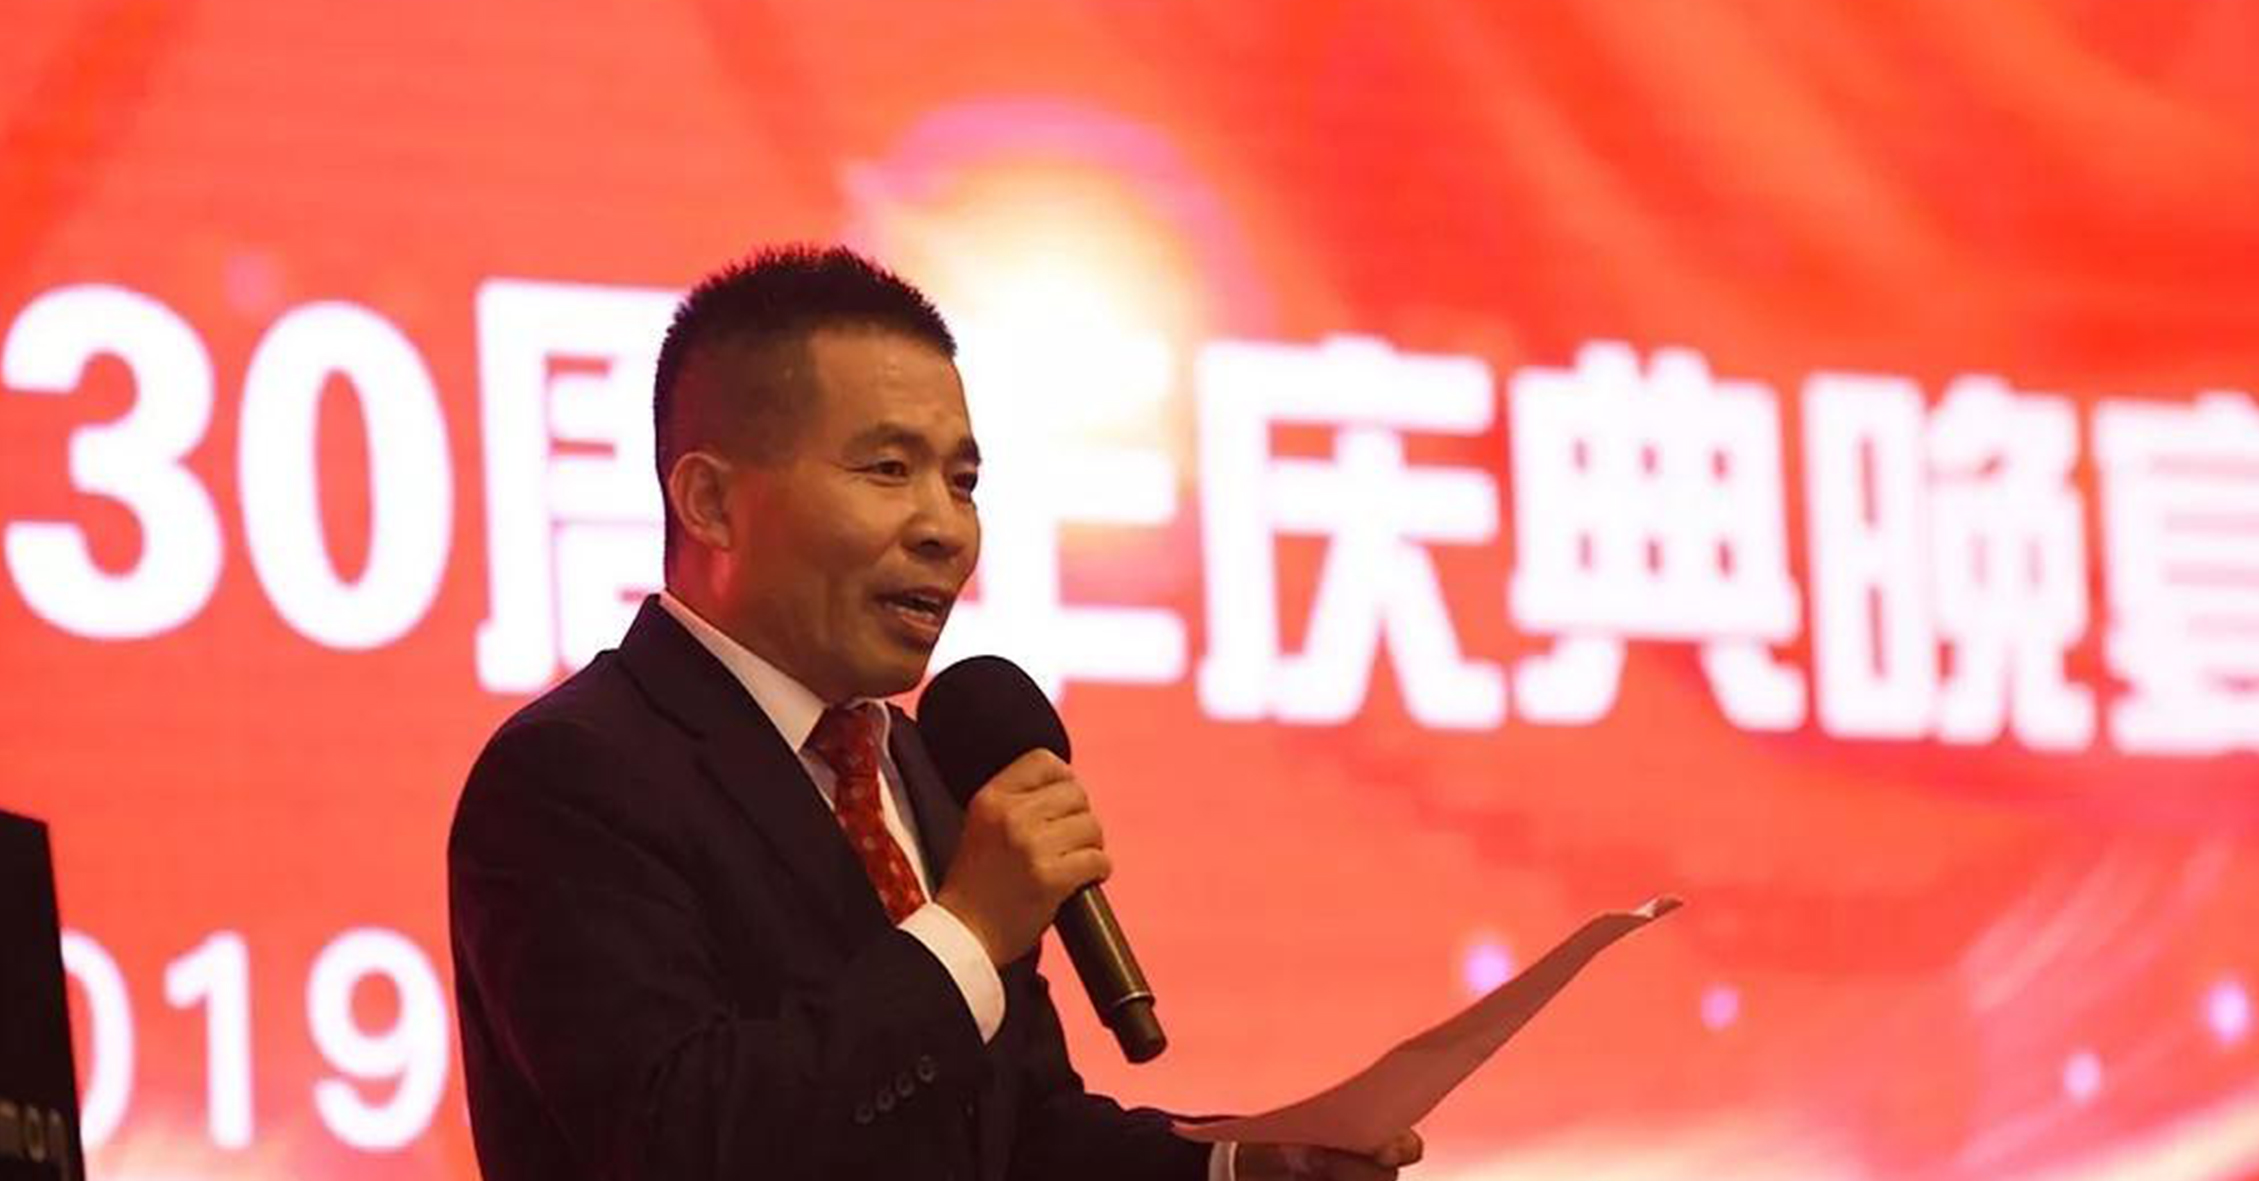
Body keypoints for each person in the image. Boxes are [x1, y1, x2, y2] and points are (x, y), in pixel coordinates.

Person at [448, 245, 1424, 1181]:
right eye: (887, 469)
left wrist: (1239, 1162)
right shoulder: (572, 775)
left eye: (962, 482)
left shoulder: (918, 764)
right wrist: (967, 928)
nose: (945, 528)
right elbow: (679, 1142)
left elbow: (1018, 1138)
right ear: (709, 502)